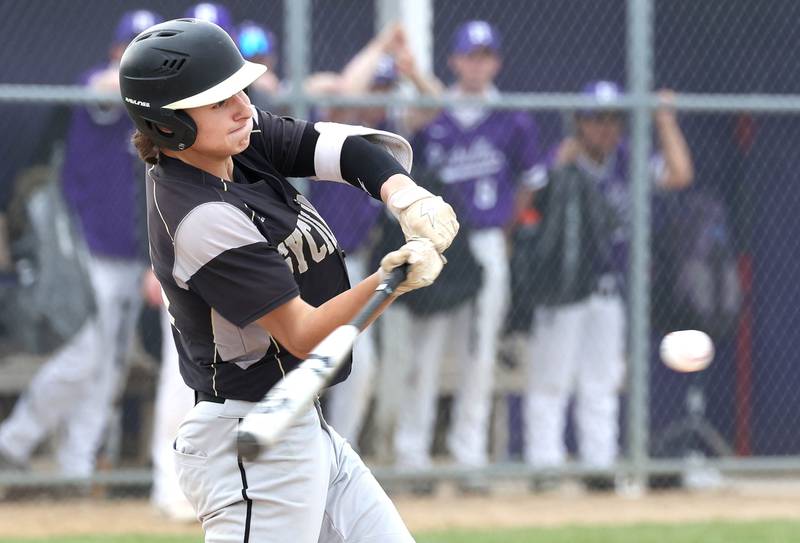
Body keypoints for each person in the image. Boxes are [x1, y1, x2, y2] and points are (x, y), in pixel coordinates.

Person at [119, 18, 457, 541]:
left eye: (239, 92)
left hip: (300, 424)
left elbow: (337, 146)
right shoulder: (199, 217)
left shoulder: (236, 144)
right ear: (168, 125)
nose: (241, 108)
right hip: (252, 446)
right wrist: (392, 279)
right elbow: (303, 333)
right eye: (217, 101)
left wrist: (403, 195)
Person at [0, 10, 161, 476]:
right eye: (134, 46)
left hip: (132, 256)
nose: (141, 56)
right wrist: (146, 73)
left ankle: (77, 464)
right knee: (85, 355)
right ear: (116, 50)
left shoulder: (156, 114)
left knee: (109, 366)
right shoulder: (102, 87)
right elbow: (102, 87)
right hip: (87, 252)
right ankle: (14, 441)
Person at [522, 81, 694, 488]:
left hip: (609, 289)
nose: (605, 129)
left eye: (613, 119)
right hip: (563, 290)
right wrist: (553, 170)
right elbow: (528, 205)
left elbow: (680, 174)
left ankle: (598, 467)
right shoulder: (562, 159)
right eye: (596, 120)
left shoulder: (629, 160)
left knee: (602, 381)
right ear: (579, 123)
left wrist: (665, 121)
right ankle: (544, 467)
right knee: (552, 378)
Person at [393, 20, 541, 471]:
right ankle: (411, 454)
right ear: (455, 61)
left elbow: (529, 184)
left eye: (485, 57)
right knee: (427, 350)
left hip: (485, 239)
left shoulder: (513, 118)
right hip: (437, 245)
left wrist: (506, 232)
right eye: (469, 57)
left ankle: (469, 455)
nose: (477, 66)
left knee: (479, 354)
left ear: (496, 62)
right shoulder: (434, 113)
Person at [311, 26, 443, 450]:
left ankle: (335, 452)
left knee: (357, 367)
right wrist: (380, 45)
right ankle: (313, 453)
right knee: (312, 364)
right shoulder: (337, 123)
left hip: (354, 264)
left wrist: (412, 70)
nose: (379, 95)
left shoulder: (389, 133)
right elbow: (350, 90)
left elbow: (436, 106)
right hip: (310, 262)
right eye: (377, 85)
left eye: (387, 87)